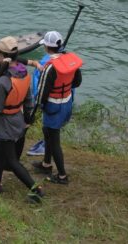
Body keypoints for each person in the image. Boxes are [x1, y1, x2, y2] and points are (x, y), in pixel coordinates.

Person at [0, 37, 43, 203]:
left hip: (5, 125)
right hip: (18, 121)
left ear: (1, 56)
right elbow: (28, 100)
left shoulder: (2, 81)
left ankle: (36, 190)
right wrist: (28, 118)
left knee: (12, 162)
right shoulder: (24, 73)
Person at [32, 31, 83, 185]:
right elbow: (77, 82)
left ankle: (62, 176)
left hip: (53, 106)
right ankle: (46, 164)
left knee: (54, 140)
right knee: (47, 132)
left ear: (47, 47)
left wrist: (38, 106)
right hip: (65, 102)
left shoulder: (50, 67)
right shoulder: (69, 62)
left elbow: (41, 92)